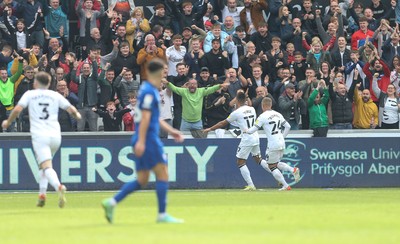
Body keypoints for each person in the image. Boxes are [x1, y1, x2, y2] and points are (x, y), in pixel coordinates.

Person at [101, 59, 184, 224]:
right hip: (149, 140)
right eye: (164, 73)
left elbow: (154, 117)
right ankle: (162, 215)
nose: (164, 77)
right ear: (159, 73)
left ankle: (111, 202)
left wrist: (172, 131)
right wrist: (141, 140)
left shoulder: (147, 90)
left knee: (142, 180)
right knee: (163, 173)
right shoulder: (149, 91)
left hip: (143, 138)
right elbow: (145, 117)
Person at [1, 71, 81, 207]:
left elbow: (17, 109)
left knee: (46, 166)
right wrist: (78, 116)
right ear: (49, 83)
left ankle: (58, 186)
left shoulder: (30, 95)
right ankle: (42, 194)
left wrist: (8, 122)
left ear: (35, 82)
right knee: (43, 165)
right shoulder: (54, 95)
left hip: (40, 136)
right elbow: (71, 109)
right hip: (56, 136)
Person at [204, 91, 272, 191]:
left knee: (240, 162)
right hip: (255, 137)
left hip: (247, 138)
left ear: (236, 100)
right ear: (245, 100)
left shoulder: (236, 113)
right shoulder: (252, 109)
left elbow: (223, 123)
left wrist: (209, 129)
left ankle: (251, 185)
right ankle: (275, 172)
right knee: (258, 159)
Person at [246, 97, 300, 191]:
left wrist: (246, 130)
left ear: (263, 106)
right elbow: (288, 126)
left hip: (273, 144)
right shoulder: (278, 114)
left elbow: (253, 130)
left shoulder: (262, 116)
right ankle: (292, 170)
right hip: (281, 143)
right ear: (271, 105)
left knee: (271, 166)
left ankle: (286, 185)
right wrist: (282, 137)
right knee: (276, 163)